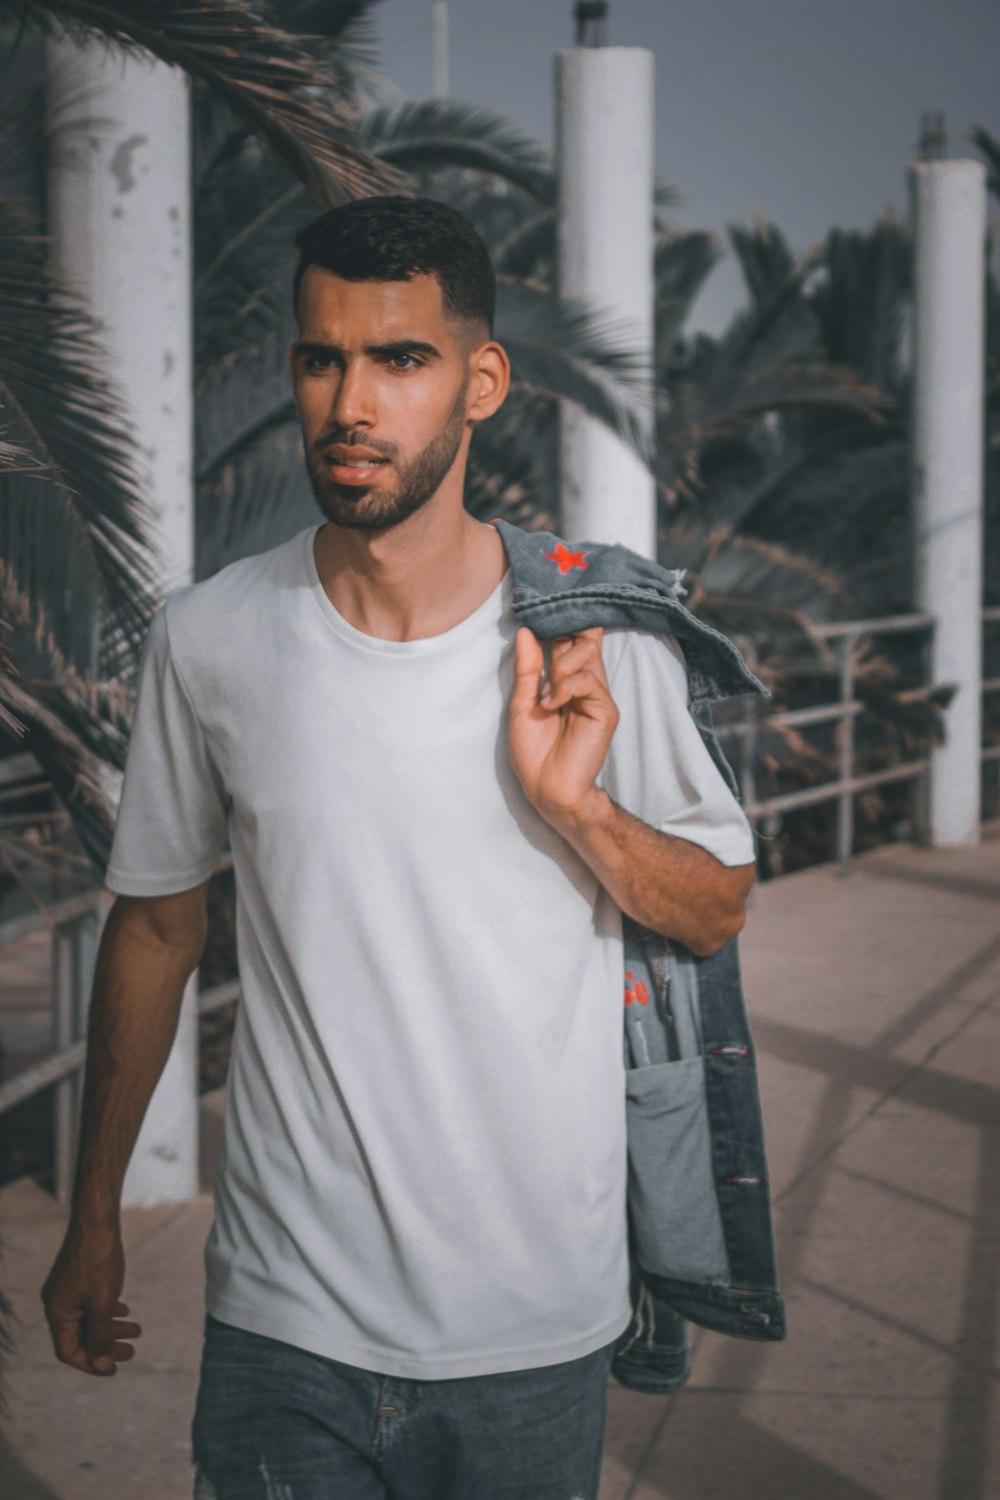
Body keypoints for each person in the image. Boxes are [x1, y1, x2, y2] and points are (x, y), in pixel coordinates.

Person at [40, 196, 757, 1500]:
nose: (350, 403)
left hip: (533, 1319)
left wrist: (582, 809)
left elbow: (713, 909)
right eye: (324, 359)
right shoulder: (208, 637)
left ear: (480, 381)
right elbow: (155, 923)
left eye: (401, 360)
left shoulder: (598, 639)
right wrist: (94, 1217)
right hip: (284, 1314)